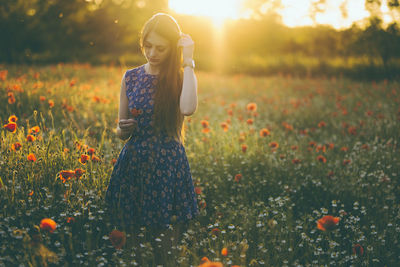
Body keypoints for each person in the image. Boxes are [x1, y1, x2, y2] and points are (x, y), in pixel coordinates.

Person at [104, 12, 199, 261]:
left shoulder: (180, 77)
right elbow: (119, 130)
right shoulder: (130, 77)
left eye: (160, 48)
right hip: (134, 163)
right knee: (132, 242)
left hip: (167, 165)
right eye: (147, 46)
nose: (152, 53)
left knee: (166, 245)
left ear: (173, 48)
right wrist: (123, 129)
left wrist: (188, 61)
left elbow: (188, 108)